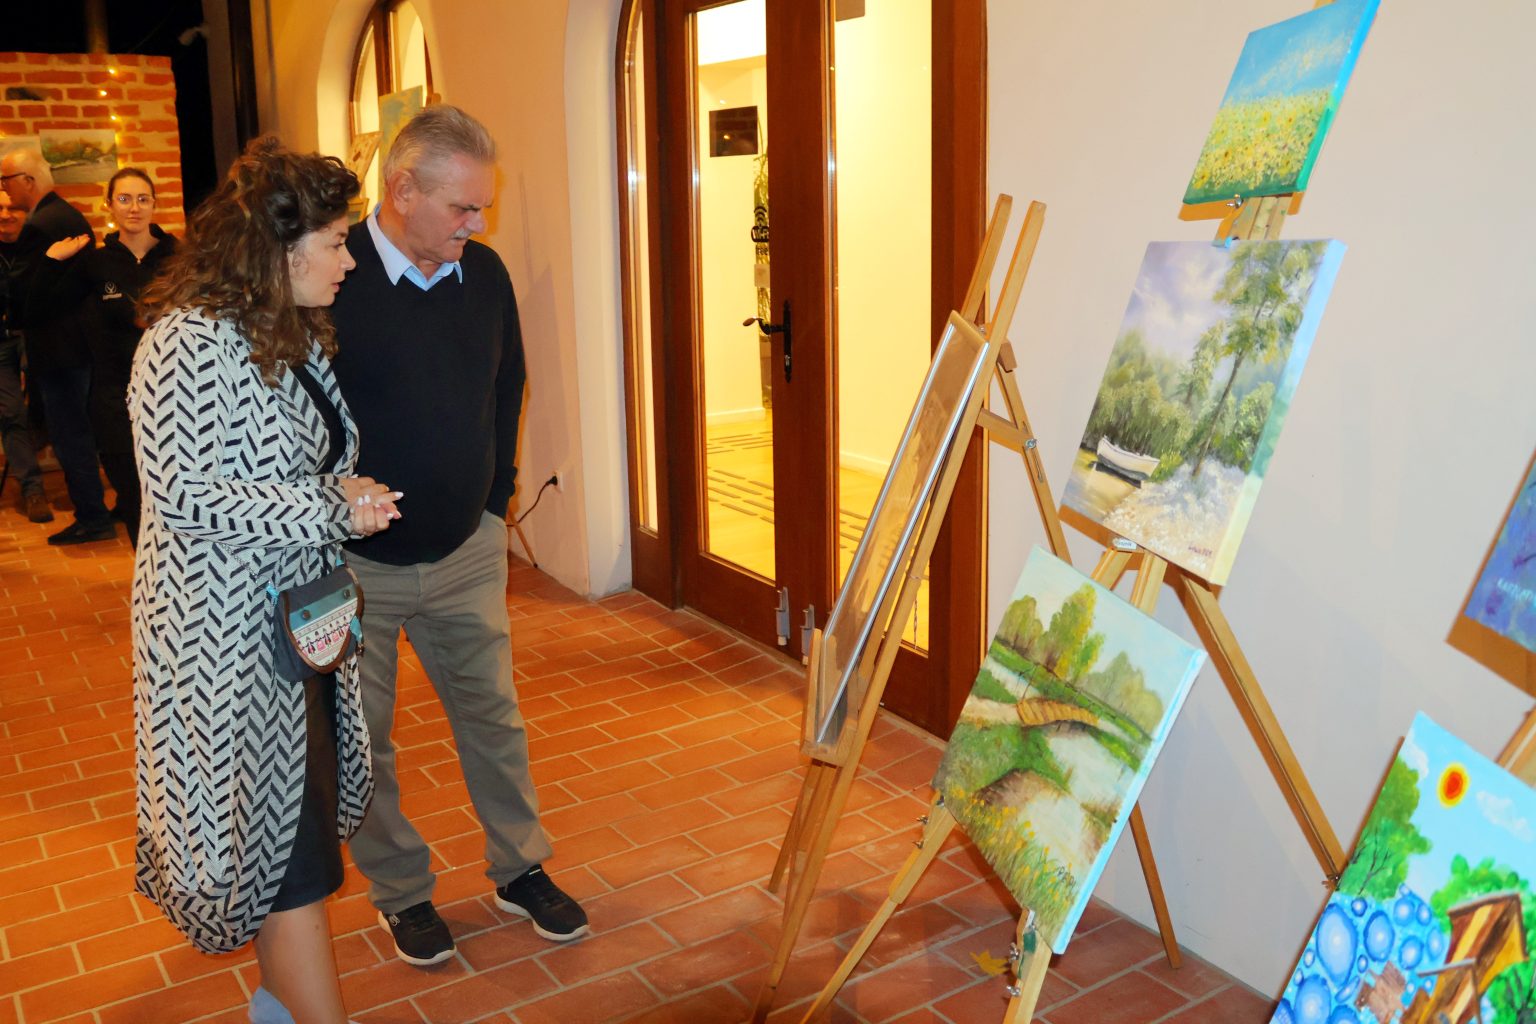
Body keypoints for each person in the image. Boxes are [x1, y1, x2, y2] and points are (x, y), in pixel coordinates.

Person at [130, 137, 399, 1024]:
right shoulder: (186, 342)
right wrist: (329, 506)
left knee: (295, 837)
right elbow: (185, 494)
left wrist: (342, 490)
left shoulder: (286, 331)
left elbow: (295, 464)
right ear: (279, 247)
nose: (350, 261)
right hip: (225, 645)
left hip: (294, 627)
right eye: (337, 242)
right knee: (287, 860)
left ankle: (277, 1009)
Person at [330, 104, 588, 967]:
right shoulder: (332, 276)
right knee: (364, 739)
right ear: (403, 190)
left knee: (492, 718)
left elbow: (508, 383)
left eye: (483, 208)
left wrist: (494, 502)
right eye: (463, 208)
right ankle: (402, 892)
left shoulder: (484, 274)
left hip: (465, 551)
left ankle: (520, 868)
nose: (477, 225)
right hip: (353, 566)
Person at [34, 168, 177, 545]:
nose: (134, 207)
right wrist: (50, 261)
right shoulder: (95, 264)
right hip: (115, 400)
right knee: (134, 503)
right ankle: (148, 576)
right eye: (124, 199)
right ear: (109, 205)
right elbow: (36, 309)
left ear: (155, 205)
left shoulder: (181, 258)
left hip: (177, 396)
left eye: (143, 199)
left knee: (177, 502)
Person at [1, 146, 110, 544]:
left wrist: (13, 306)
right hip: (78, 342)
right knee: (83, 431)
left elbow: (28, 297)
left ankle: (92, 517)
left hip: (59, 348)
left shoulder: (40, 225)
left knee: (70, 436)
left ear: (27, 181)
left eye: (5, 180)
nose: (3, 189)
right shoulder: (65, 214)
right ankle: (101, 511)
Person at [0, 187, 51, 523]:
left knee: (51, 402)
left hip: (37, 335)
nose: (6, 215)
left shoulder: (39, 244)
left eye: (12, 208)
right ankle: (32, 489)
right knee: (11, 412)